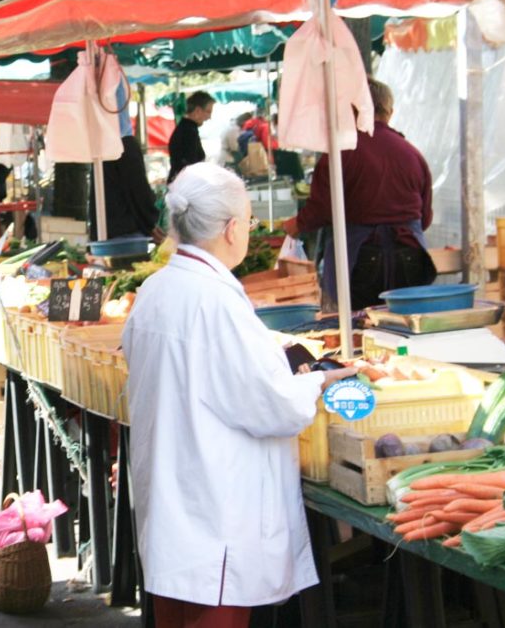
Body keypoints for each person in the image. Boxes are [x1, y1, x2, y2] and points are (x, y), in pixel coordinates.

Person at [122, 162, 358, 627]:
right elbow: (272, 407)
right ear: (232, 229)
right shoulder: (215, 301)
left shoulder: (155, 289)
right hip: (215, 507)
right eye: (249, 222)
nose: (248, 231)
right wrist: (318, 380)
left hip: (175, 501)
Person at [283, 78, 435, 311]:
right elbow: (424, 218)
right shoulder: (412, 153)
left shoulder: (342, 151)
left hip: (360, 259)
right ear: (390, 112)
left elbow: (322, 208)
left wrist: (297, 224)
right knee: (405, 325)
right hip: (411, 255)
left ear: (352, 109)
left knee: (361, 330)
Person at [89, 132, 162, 244]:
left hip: (103, 232)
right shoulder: (126, 144)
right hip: (127, 232)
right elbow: (139, 190)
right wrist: (150, 222)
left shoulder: (101, 144)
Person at [167, 91, 214, 185]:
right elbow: (190, 164)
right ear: (197, 111)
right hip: (184, 186)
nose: (209, 117)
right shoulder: (188, 131)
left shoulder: (186, 128)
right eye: (208, 112)